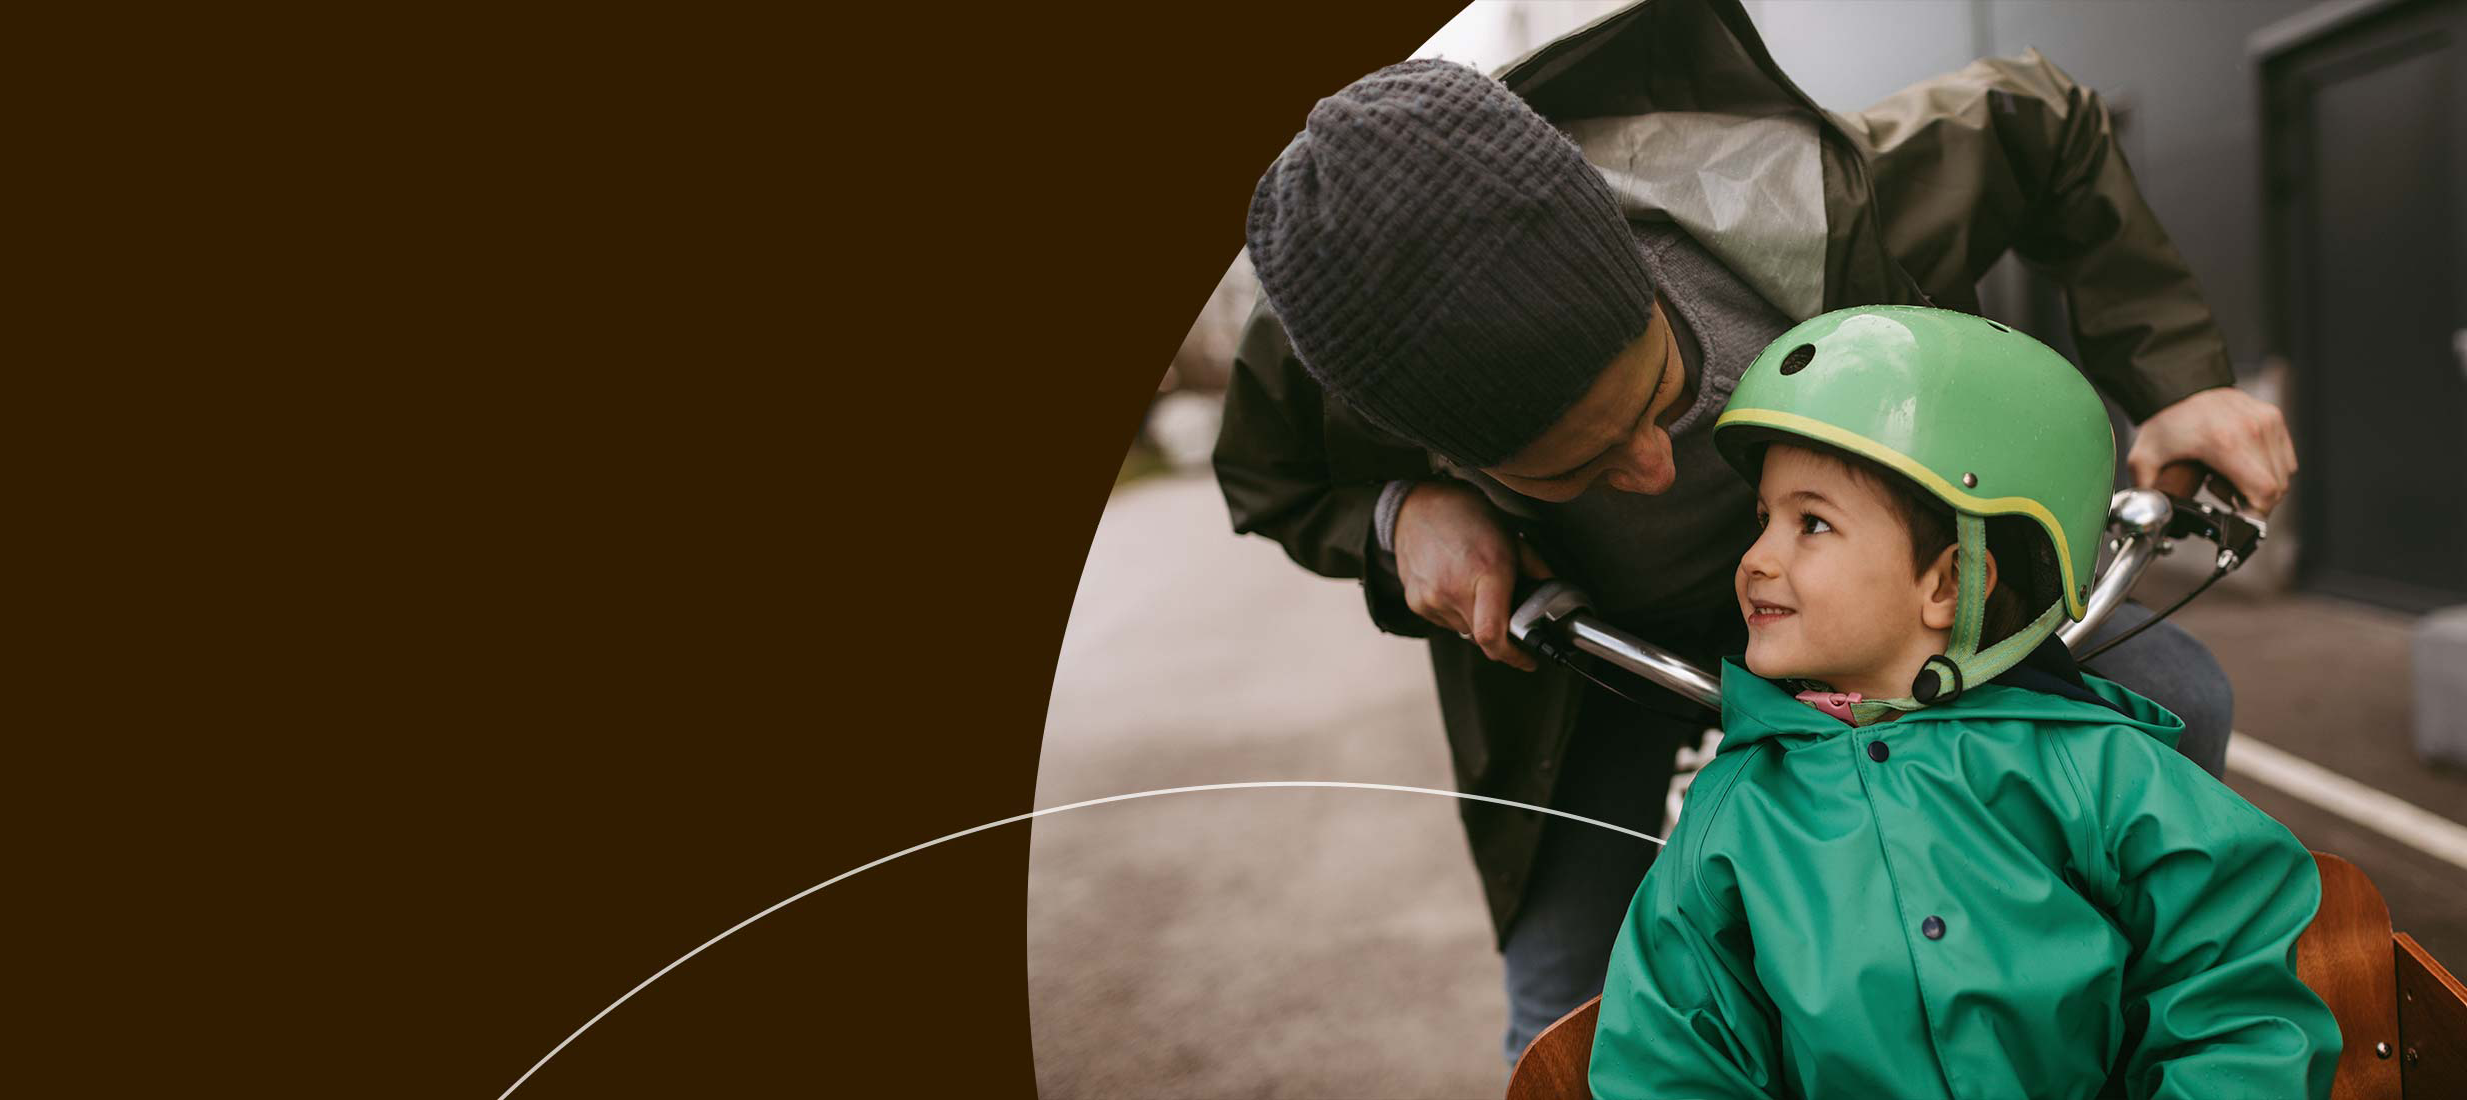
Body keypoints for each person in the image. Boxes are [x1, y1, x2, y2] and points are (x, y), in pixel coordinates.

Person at [1218, 0, 2298, 1062]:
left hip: (1878, 607)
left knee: (2178, 696)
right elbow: (1268, 480)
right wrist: (1402, 516)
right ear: (1453, 451)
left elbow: (2045, 118)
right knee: (1561, 1004)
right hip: (1588, 654)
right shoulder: (1324, 358)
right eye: (1581, 467)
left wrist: (2179, 383)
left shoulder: (1827, 202)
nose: (1653, 467)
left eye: (1658, 395)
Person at [1588, 304, 2339, 1099]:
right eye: (1762, 519)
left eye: (1810, 523)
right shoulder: (1732, 815)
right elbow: (1670, 1063)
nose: (1755, 559)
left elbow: (2236, 1001)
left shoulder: (2099, 770)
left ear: (1947, 584)